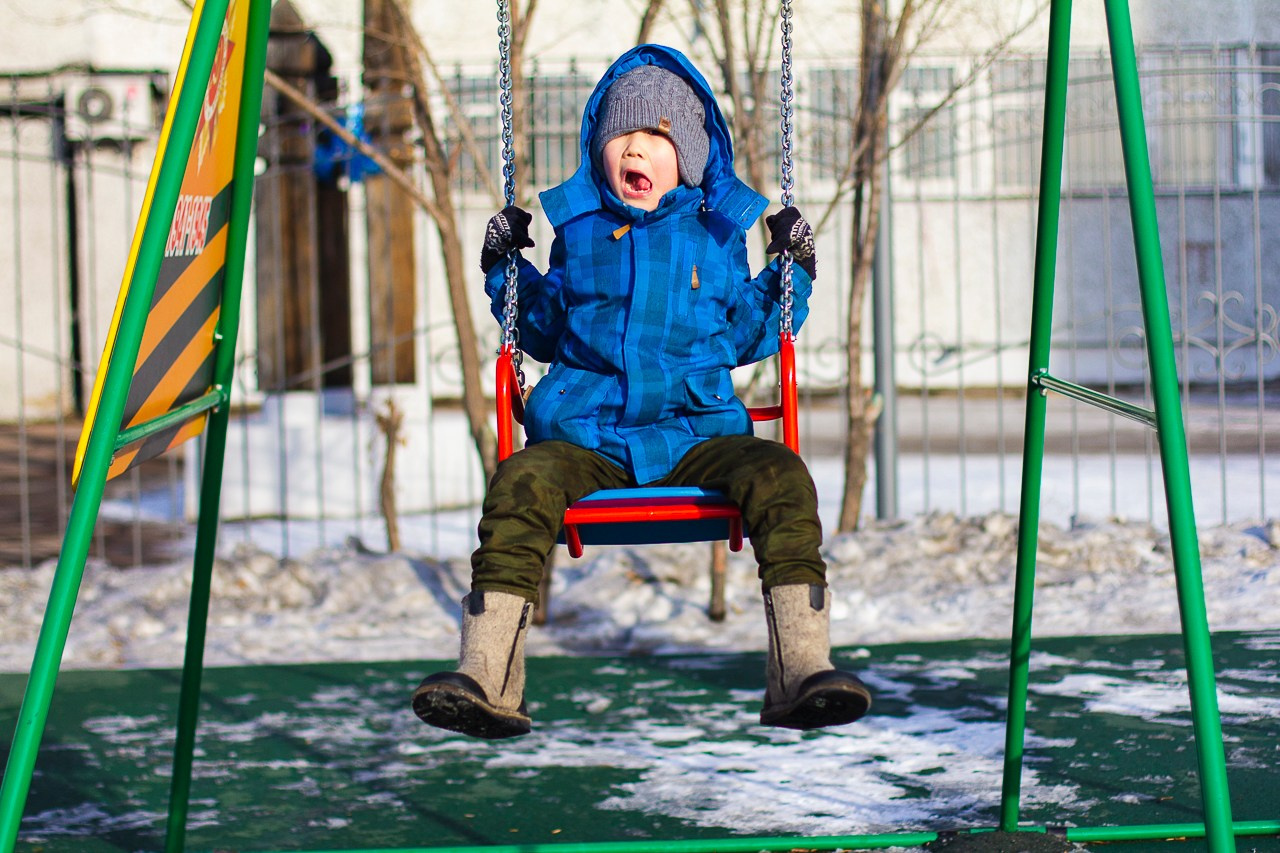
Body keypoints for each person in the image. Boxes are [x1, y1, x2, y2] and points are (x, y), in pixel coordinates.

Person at [412, 44, 871, 739]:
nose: (636, 148)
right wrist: (506, 267)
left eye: (655, 137)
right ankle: (486, 678)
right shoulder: (580, 230)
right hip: (586, 431)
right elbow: (540, 327)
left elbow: (747, 330)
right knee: (519, 482)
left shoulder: (717, 231)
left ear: (686, 154)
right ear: (599, 149)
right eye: (622, 135)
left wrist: (793, 269)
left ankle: (802, 669)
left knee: (781, 475)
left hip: (698, 430)